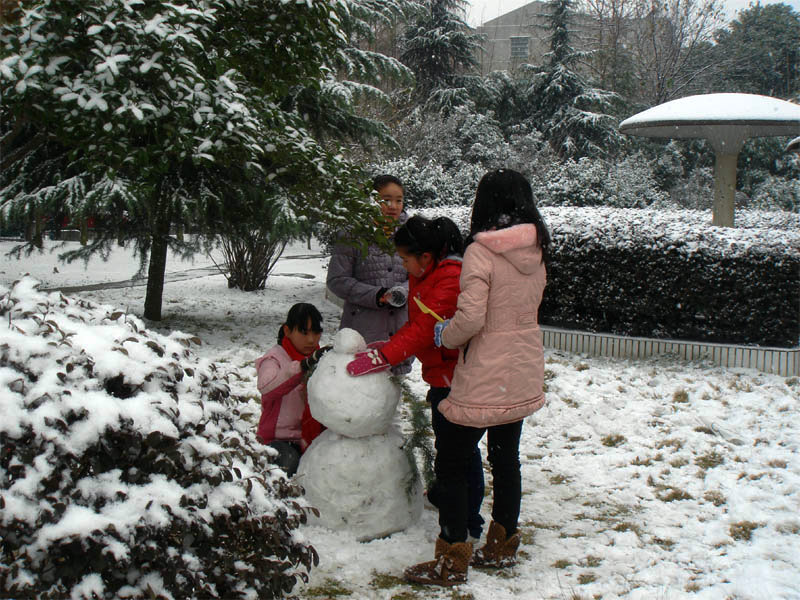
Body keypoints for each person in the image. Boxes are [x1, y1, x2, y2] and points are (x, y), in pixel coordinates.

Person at [404, 169, 551, 587]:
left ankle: (452, 558)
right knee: (506, 459)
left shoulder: (481, 252)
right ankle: (502, 545)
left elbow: (470, 319)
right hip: (522, 369)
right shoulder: (538, 250)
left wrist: (442, 334)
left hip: (485, 371)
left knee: (451, 462)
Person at [345, 215, 486, 542]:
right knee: (455, 450)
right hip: (443, 375)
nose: (403, 266)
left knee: (461, 454)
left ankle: (467, 523)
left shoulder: (448, 279)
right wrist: (390, 347)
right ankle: (456, 507)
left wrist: (384, 356)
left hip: (458, 379)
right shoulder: (429, 275)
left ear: (425, 257)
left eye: (406, 259)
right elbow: (419, 325)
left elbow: (423, 330)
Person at [326, 174, 413, 375]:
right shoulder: (352, 234)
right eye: (386, 200)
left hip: (400, 328)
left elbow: (422, 274)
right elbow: (337, 280)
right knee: (362, 392)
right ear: (371, 200)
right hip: (362, 328)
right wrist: (376, 295)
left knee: (393, 392)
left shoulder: (411, 234)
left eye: (399, 200)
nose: (393, 206)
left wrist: (403, 292)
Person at [254, 303, 332, 477]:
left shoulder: (321, 359)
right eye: (304, 333)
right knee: (288, 463)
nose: (311, 340)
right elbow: (267, 387)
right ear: (287, 331)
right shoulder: (274, 358)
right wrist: (302, 367)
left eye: (316, 332)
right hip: (279, 440)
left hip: (314, 438)